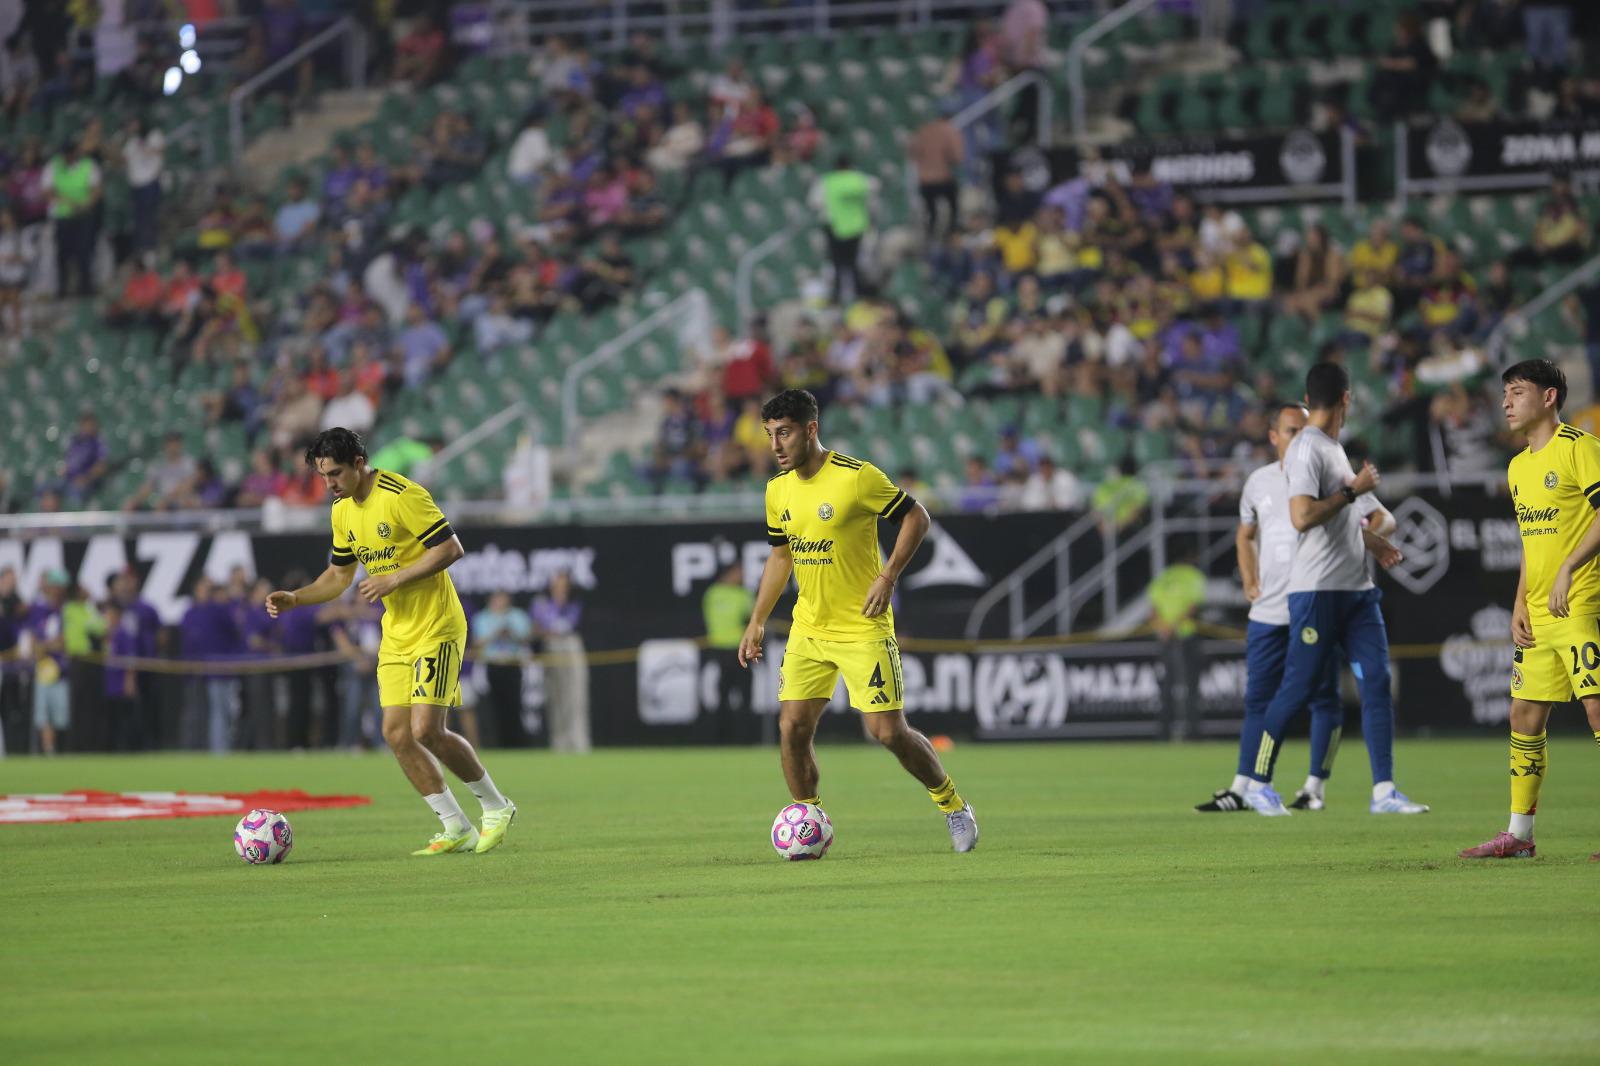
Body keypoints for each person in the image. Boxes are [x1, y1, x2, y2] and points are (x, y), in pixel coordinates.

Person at [738, 389, 978, 852]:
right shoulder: (777, 490)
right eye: (770, 435)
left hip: (862, 625)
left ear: (811, 429)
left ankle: (952, 805)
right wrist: (757, 620)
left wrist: (888, 576)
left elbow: (917, 517)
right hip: (810, 626)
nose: (776, 445)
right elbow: (780, 556)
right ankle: (809, 820)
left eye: (784, 433)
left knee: (887, 732)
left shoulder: (856, 477)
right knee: (792, 728)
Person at [265, 428, 517, 856]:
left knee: (427, 729)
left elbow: (451, 548)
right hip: (397, 633)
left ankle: (496, 805)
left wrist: (394, 578)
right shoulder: (342, 510)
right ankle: (455, 826)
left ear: (360, 462)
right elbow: (340, 575)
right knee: (397, 734)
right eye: (324, 475)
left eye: (336, 473)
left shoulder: (402, 495)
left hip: (437, 624)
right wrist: (297, 598)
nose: (329, 484)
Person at [1196, 402, 1402, 813]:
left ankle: (1313, 787)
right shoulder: (1258, 482)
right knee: (1260, 699)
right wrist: (1250, 579)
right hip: (1270, 611)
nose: (1302, 437)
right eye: (1292, 430)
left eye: (1307, 429)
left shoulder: (1329, 473)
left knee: (1323, 700)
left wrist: (1366, 539)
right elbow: (1245, 534)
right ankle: (1244, 785)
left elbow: (1378, 518)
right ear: (1274, 437)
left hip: (1314, 603)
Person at [1244, 364, 1428, 816]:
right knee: (1298, 689)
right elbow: (1302, 517)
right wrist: (1353, 493)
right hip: (1317, 591)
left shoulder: (1332, 449)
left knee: (1377, 682)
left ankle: (1384, 790)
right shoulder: (1308, 449)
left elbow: (1356, 515)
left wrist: (1370, 536)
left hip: (1356, 591)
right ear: (1346, 398)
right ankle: (1257, 782)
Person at [1462, 360, 1600, 860]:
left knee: (1597, 707)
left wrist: (1568, 569)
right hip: (1539, 614)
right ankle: (1519, 835)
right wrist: (1519, 602)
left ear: (1548, 398)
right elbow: (1530, 540)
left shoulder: (1580, 448)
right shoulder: (1518, 465)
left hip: (1582, 602)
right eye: (1505, 393)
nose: (1506, 402)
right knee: (1523, 714)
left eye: (1517, 392)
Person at [809, 154, 879, 307]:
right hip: (858, 228)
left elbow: (815, 202)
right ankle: (862, 296)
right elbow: (876, 188)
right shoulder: (861, 180)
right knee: (857, 265)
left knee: (838, 264)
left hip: (836, 228)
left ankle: (839, 296)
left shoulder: (827, 181)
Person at [532, 571, 589, 753]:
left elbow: (568, 624)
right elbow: (538, 625)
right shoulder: (542, 603)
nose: (559, 585)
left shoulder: (573, 603)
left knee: (575, 696)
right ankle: (559, 743)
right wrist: (547, 628)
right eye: (556, 582)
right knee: (555, 696)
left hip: (570, 647)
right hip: (551, 647)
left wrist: (551, 626)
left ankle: (578, 741)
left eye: (562, 582)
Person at [472, 590, 532, 748]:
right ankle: (498, 744)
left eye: (503, 598)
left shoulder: (517, 615)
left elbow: (526, 638)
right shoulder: (483, 618)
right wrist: (496, 634)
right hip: (493, 665)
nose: (501, 602)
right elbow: (477, 642)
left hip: (513, 665)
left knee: (514, 705)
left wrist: (511, 633)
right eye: (497, 598)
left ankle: (518, 744)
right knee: (495, 707)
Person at [26, 569, 71, 755]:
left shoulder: (66, 610)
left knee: (60, 716)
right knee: (43, 715)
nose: (56, 590)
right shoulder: (38, 609)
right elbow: (32, 639)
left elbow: (64, 641)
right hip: (42, 670)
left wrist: (46, 645)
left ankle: (60, 748)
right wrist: (46, 646)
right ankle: (49, 749)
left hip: (61, 671)